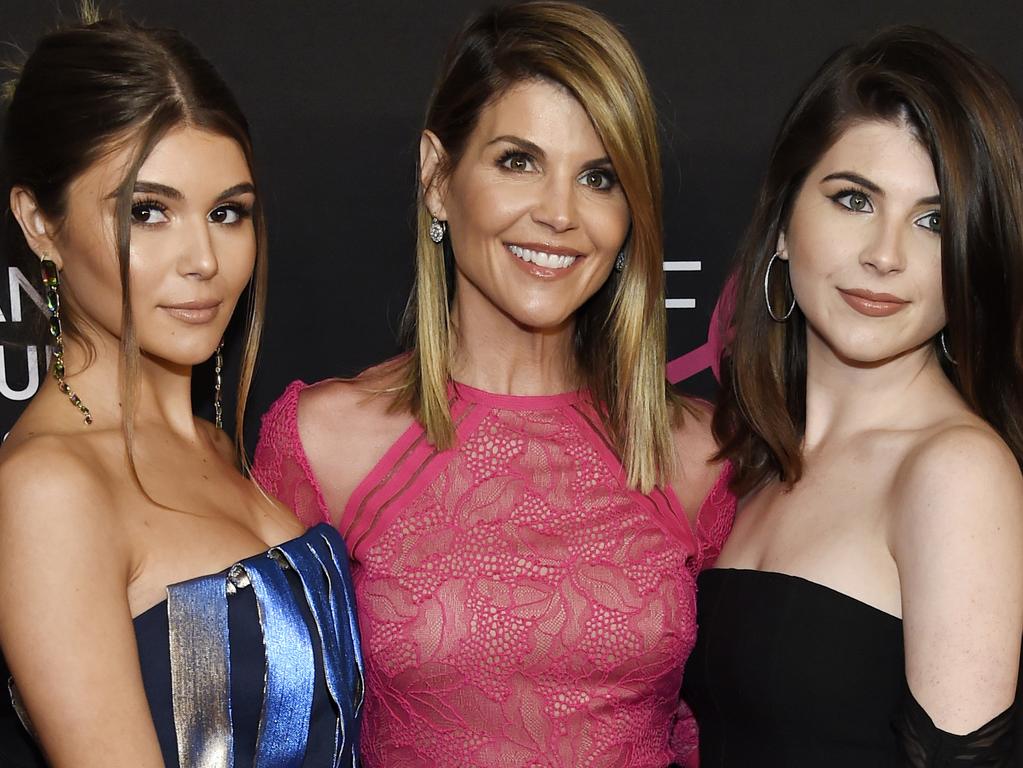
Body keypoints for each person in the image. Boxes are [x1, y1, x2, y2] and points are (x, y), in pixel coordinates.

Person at [253, 2, 734, 765]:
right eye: (518, 160)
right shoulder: (325, 441)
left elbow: (727, 722)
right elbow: (273, 722)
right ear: (438, 178)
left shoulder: (696, 452)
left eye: (599, 177)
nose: (558, 213)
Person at [0, 12, 363, 768]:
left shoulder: (216, 445)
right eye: (147, 212)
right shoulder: (47, 489)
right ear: (39, 223)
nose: (204, 258)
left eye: (227, 213)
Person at [681, 25, 1023, 767]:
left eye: (933, 221)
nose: (884, 255)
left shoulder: (953, 471)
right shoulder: (757, 458)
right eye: (852, 199)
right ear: (780, 225)